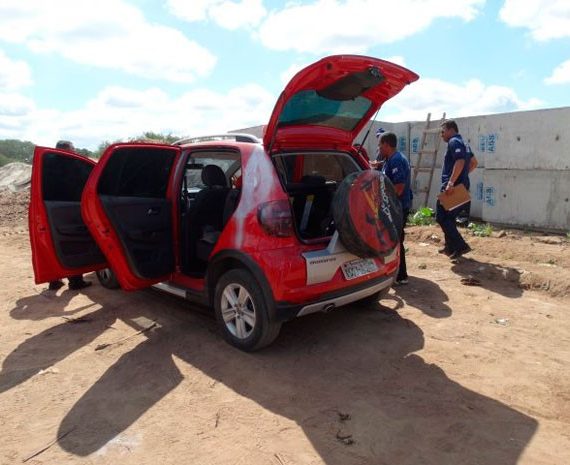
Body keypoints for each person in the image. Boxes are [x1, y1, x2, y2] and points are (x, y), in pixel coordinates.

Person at [48, 140, 92, 291]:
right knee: (74, 244)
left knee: (53, 244)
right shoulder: (75, 164)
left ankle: (54, 280)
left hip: (50, 209)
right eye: (73, 148)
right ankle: (76, 281)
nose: (75, 151)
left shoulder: (46, 163)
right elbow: (90, 182)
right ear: (67, 149)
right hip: (72, 209)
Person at [376, 131, 412, 285]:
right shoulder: (391, 159)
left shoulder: (396, 160)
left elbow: (399, 187)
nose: (379, 149)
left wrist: (384, 201)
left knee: (395, 240)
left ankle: (401, 275)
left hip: (398, 208)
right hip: (395, 207)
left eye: (380, 145)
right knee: (394, 239)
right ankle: (398, 272)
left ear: (386, 144)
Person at [437, 120, 472, 259]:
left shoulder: (454, 142)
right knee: (449, 218)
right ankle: (450, 247)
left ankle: (460, 245)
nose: (442, 135)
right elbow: (474, 163)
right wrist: (462, 176)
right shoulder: (465, 143)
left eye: (443, 131)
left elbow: (460, 161)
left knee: (441, 217)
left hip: (453, 187)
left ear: (451, 130)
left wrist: (451, 182)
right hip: (461, 185)